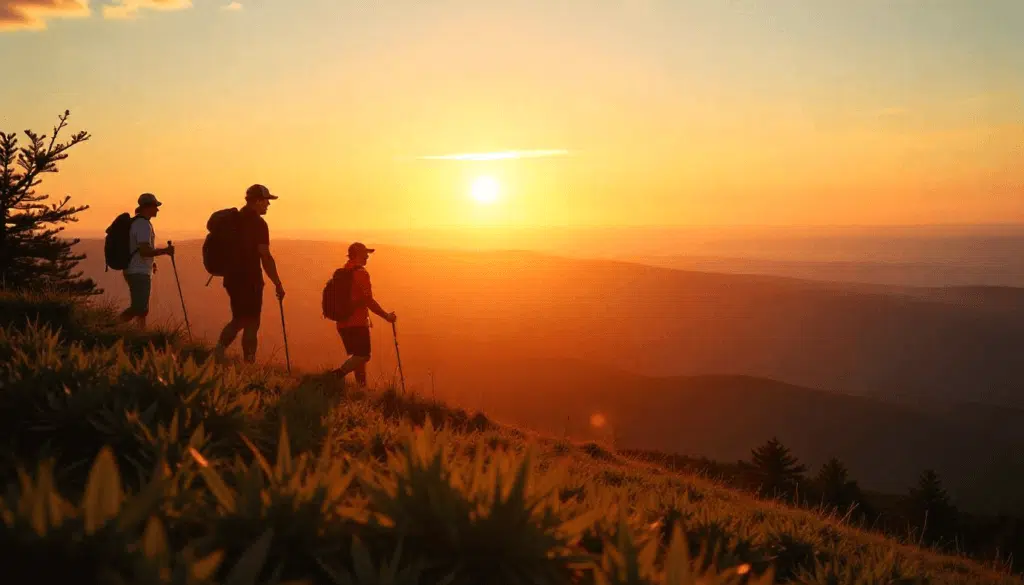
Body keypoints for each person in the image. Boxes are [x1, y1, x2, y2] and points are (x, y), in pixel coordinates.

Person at [213, 184, 286, 363]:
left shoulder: (234, 220)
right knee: (252, 322)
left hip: (231, 278)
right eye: (266, 201)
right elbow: (265, 256)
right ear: (258, 201)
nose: (268, 204)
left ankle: (218, 352)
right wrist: (277, 283)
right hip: (250, 279)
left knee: (239, 319)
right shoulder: (259, 224)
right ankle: (249, 363)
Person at [332, 242, 396, 387]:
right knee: (363, 356)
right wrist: (386, 316)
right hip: (357, 323)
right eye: (365, 254)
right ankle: (336, 375)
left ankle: (361, 389)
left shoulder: (345, 271)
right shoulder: (361, 274)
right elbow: (369, 301)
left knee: (358, 358)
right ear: (357, 255)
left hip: (342, 324)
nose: (367, 257)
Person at [119, 192, 174, 327]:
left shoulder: (140, 223)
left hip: (137, 269)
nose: (157, 209)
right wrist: (165, 251)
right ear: (147, 207)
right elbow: (144, 251)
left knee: (142, 309)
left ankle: (141, 334)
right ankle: (111, 326)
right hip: (138, 271)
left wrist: (152, 262)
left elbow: (141, 249)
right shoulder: (143, 225)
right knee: (139, 307)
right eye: (155, 206)